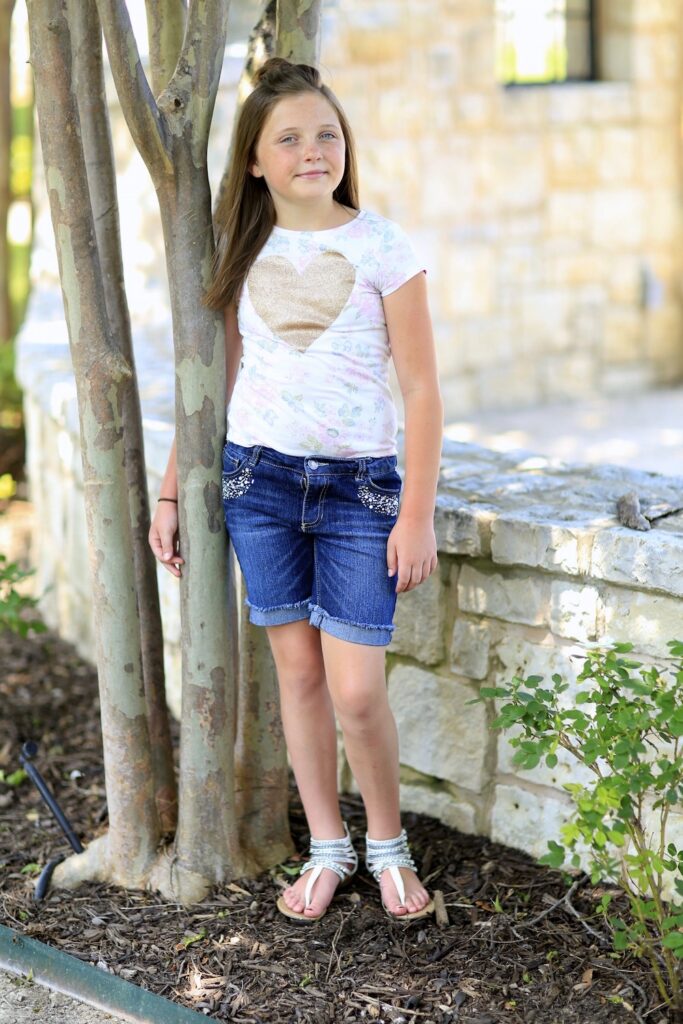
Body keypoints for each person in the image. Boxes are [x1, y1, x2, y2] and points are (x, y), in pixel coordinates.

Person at [149, 57, 443, 924]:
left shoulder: (383, 246)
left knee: (356, 690)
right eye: (290, 138)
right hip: (259, 483)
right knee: (299, 678)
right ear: (254, 160)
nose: (313, 150)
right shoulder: (238, 247)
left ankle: (386, 846)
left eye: (326, 133)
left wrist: (416, 512)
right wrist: (170, 491)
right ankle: (326, 847)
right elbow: (216, 372)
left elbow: (421, 391)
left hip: (362, 495)